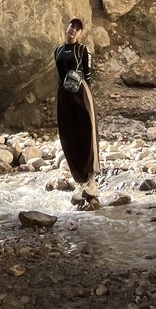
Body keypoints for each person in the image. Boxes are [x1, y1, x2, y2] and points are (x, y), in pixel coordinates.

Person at [54, 17, 100, 205]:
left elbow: (88, 75)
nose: (73, 30)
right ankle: (80, 181)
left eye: (77, 29)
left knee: (87, 130)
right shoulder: (57, 51)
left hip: (80, 92)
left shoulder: (82, 50)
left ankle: (92, 179)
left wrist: (84, 94)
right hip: (63, 94)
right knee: (68, 133)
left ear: (80, 33)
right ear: (67, 28)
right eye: (72, 26)